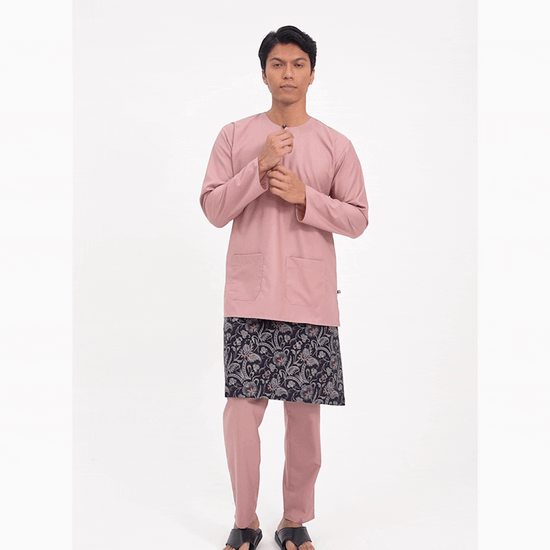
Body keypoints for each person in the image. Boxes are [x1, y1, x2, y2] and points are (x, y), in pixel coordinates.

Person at [200, 25, 369, 550]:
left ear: (312, 74)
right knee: (241, 411)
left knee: (304, 419)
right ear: (264, 73)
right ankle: (244, 519)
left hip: (309, 298)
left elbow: (358, 218)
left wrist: (305, 196)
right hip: (250, 295)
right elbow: (213, 209)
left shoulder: (336, 145)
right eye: (278, 64)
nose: (288, 73)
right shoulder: (234, 136)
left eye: (298, 64)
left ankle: (294, 520)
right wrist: (258, 168)